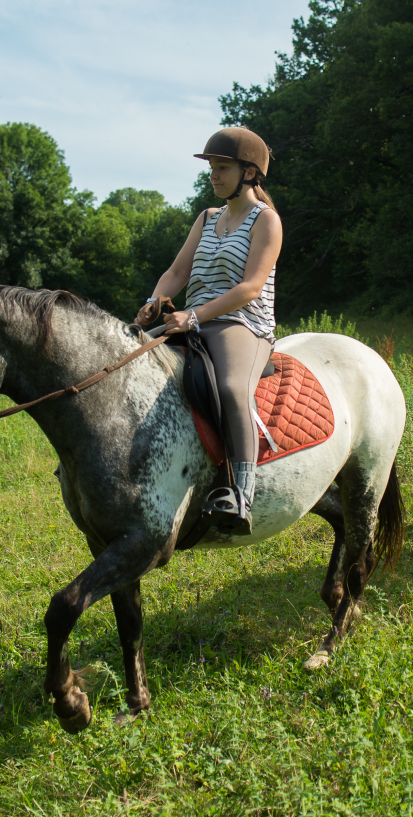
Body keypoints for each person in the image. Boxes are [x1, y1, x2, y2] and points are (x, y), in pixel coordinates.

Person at [135, 128, 282, 534]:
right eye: (212, 168)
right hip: (192, 318)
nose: (213, 176)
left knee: (233, 388)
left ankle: (241, 495)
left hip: (243, 324)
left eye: (222, 168)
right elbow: (177, 271)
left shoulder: (266, 220)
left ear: (249, 172)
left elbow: (250, 287)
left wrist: (194, 316)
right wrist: (155, 300)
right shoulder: (207, 217)